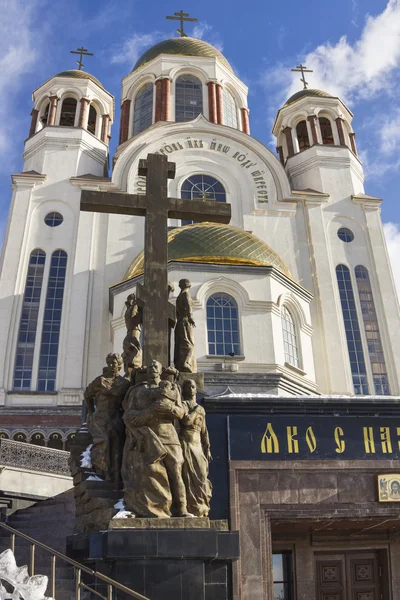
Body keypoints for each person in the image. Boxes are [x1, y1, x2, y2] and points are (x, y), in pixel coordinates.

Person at [122, 360, 192, 518]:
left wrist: (170, 408)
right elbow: (128, 415)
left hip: (169, 435)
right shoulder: (137, 391)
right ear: (147, 371)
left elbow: (181, 413)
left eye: (156, 366)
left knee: (176, 471)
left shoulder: (172, 389)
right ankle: (157, 508)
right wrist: (149, 412)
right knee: (151, 472)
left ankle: (181, 508)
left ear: (160, 371)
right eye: (151, 366)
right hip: (149, 437)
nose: (153, 368)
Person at [84, 353, 129, 484]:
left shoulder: (124, 383)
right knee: (104, 440)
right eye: (108, 363)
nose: (110, 366)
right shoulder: (100, 380)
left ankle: (114, 476)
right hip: (101, 417)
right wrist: (91, 411)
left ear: (119, 365)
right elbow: (88, 395)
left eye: (113, 363)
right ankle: (101, 471)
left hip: (116, 416)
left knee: (117, 445)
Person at [179, 379, 212, 517]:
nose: (191, 389)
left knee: (201, 475)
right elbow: (186, 421)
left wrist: (207, 448)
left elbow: (204, 431)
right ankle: (191, 506)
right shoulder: (183, 405)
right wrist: (196, 411)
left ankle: (202, 505)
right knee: (188, 475)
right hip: (187, 443)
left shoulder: (201, 409)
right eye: (188, 387)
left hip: (198, 445)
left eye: (193, 387)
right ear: (185, 390)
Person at [174, 279, 197, 373]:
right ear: (188, 285)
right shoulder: (185, 294)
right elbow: (188, 306)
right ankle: (186, 362)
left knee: (181, 343)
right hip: (186, 321)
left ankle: (181, 363)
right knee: (189, 343)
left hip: (180, 321)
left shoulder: (179, 296)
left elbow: (177, 311)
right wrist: (190, 317)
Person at [122, 293, 142, 379]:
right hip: (135, 333)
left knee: (130, 354)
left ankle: (130, 373)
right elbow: (134, 319)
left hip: (129, 334)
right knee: (135, 353)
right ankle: (134, 374)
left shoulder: (127, 310)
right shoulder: (132, 308)